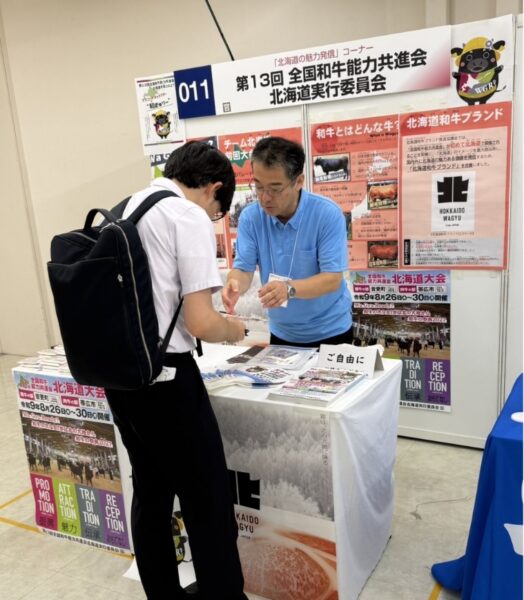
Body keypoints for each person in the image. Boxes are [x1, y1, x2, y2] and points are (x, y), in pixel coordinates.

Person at [104, 141, 248, 600]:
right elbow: (201, 323)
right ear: (213, 189)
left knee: (151, 491)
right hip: (168, 381)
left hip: (121, 375)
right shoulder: (186, 215)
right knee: (208, 500)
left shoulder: (125, 207)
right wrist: (235, 330)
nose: (212, 218)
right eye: (217, 212)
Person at [222, 136, 352, 348]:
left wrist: (288, 289)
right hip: (282, 333)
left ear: (298, 181)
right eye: (259, 187)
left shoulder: (326, 214)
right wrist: (234, 283)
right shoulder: (251, 218)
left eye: (275, 189)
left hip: (330, 331)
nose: (265, 198)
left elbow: (332, 279)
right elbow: (243, 269)